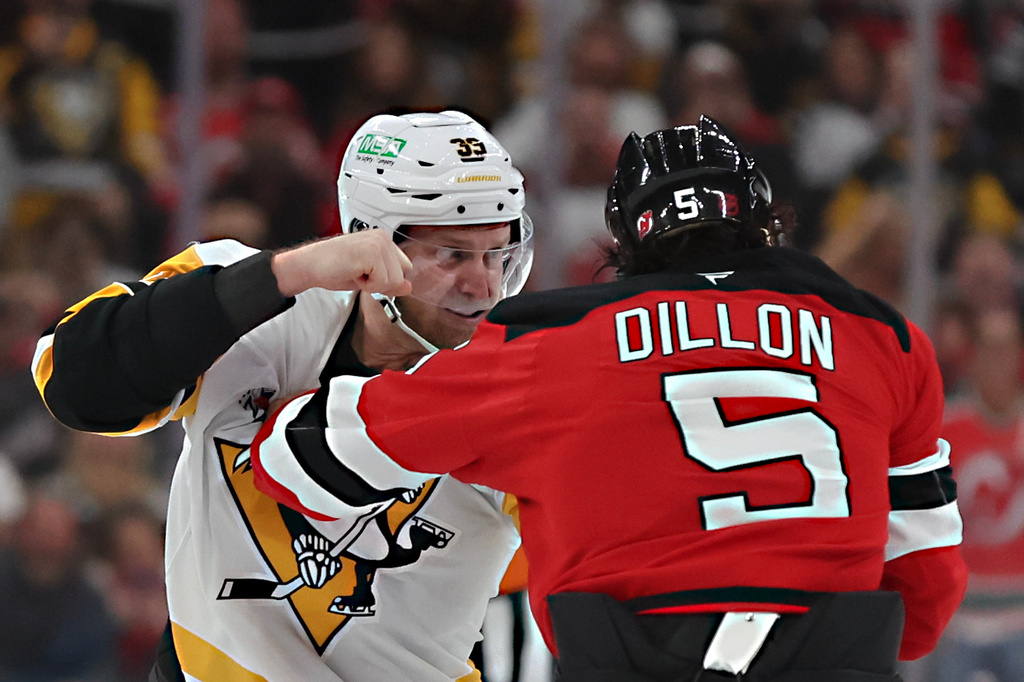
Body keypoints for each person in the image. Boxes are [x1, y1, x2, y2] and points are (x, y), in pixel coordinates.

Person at [251, 116, 969, 681]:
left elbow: (298, 459)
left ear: (628, 239)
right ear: (761, 221)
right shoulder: (888, 340)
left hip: (627, 658)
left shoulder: (554, 342)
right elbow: (926, 601)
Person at [32, 109, 534, 681]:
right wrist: (286, 273)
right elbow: (69, 381)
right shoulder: (250, 297)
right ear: (371, 238)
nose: (484, 285)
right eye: (453, 254)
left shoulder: (519, 392)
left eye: (500, 254)